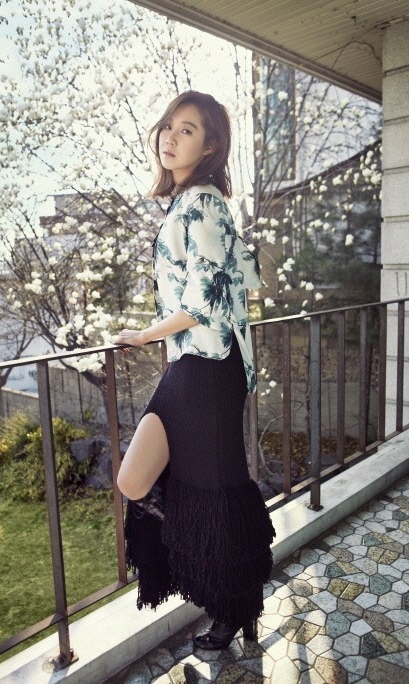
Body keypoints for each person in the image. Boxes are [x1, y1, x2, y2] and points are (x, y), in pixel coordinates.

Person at [115, 91, 275, 650]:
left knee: (217, 490)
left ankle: (234, 606)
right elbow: (226, 281)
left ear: (209, 147)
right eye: (168, 126)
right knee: (135, 480)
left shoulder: (203, 202)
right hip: (190, 364)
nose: (170, 136)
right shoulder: (185, 204)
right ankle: (219, 575)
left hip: (210, 368)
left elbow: (204, 300)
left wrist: (144, 334)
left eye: (187, 130)